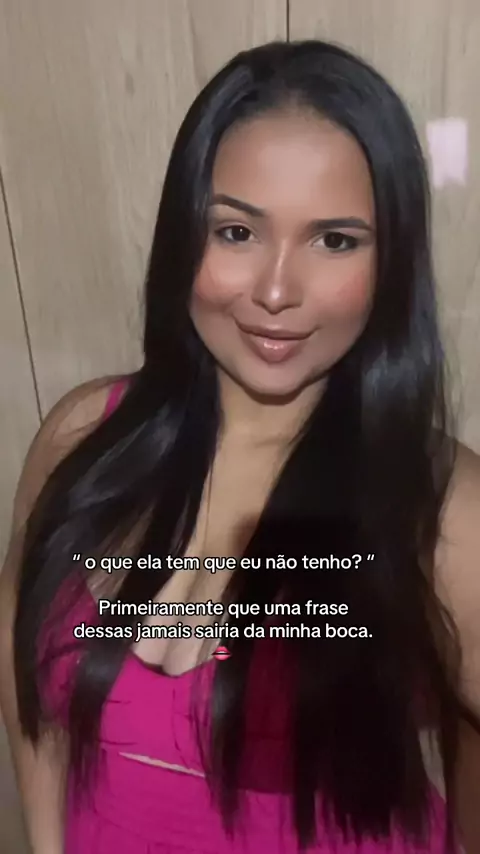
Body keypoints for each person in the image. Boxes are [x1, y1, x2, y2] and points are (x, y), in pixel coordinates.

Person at [0, 37, 479, 854]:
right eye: (236, 231)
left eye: (335, 240)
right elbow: (22, 652)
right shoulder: (85, 438)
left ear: (392, 261)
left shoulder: (443, 510)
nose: (276, 291)